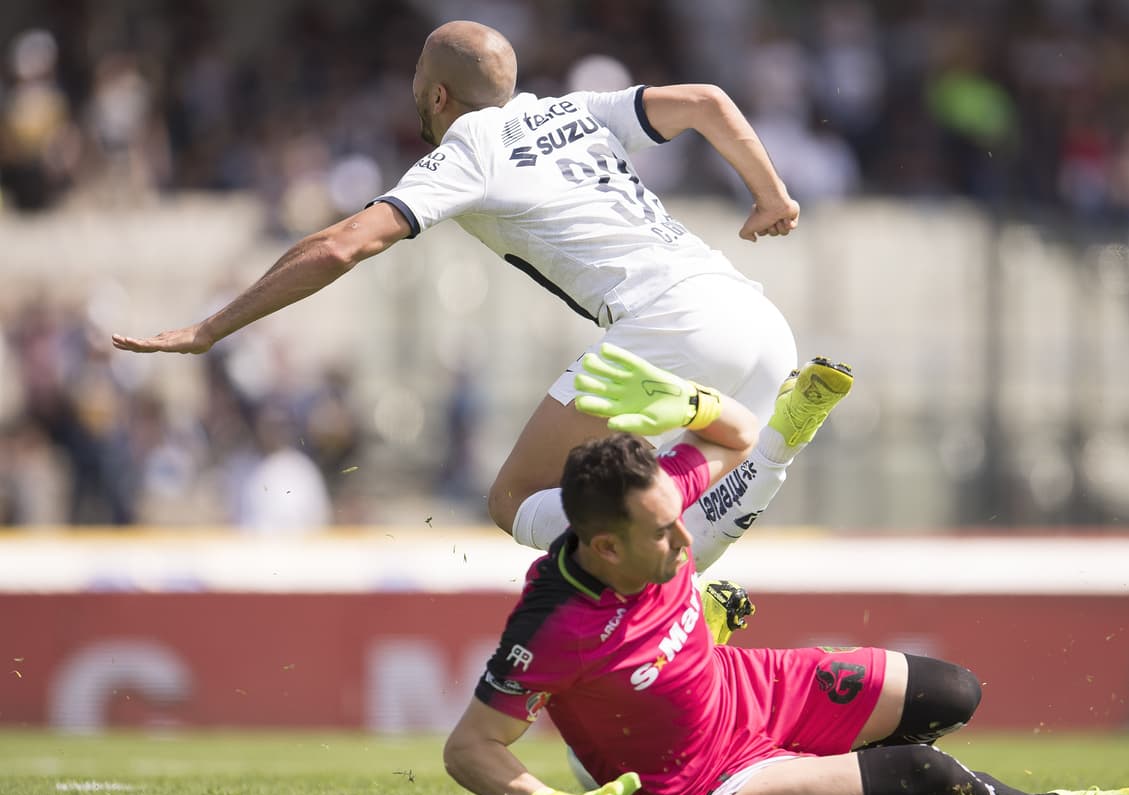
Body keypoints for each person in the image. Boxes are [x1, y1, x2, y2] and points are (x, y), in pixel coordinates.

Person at [111, 20, 809, 569]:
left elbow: (340, 244)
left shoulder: (467, 150)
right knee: (658, 533)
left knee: (516, 500)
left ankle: (713, 466)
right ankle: (767, 455)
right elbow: (706, 101)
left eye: (418, 79)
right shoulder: (573, 109)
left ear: (437, 95)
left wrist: (213, 327)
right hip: (755, 314)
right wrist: (771, 196)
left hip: (672, 328)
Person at [442, 346, 1129, 795]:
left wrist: (691, 402)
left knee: (953, 693)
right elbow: (471, 745)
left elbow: (737, 437)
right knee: (921, 772)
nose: (685, 539)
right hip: (704, 787)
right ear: (603, 547)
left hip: (752, 689)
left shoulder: (652, 501)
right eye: (663, 535)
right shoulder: (552, 622)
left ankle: (866, 794)